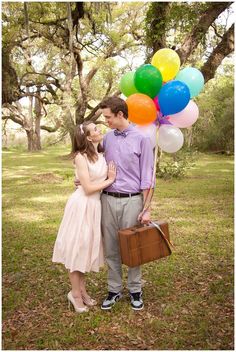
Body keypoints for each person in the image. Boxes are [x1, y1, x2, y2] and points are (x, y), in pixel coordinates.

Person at [52, 122, 116, 313]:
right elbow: (87, 189)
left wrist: (95, 181)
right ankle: (75, 295)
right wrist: (109, 180)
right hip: (82, 206)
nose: (99, 130)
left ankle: (83, 291)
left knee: (86, 249)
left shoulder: (102, 154)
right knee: (78, 249)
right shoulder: (80, 157)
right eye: (95, 129)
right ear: (89, 138)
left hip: (95, 206)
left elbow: (89, 180)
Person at [99, 96, 154, 311]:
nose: (106, 121)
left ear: (120, 114)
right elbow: (97, 165)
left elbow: (148, 178)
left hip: (132, 201)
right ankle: (114, 290)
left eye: (108, 117)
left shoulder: (142, 139)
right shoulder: (107, 138)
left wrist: (146, 208)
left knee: (133, 248)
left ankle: (135, 290)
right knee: (111, 248)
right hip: (107, 200)